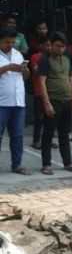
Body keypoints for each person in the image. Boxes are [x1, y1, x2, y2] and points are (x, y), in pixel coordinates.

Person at [36, 33, 72, 175]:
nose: (60, 49)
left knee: (64, 133)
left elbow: (70, 80)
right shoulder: (45, 59)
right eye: (57, 46)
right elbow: (42, 81)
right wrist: (47, 103)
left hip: (67, 100)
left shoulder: (67, 59)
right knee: (48, 133)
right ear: (52, 45)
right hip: (53, 100)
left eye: (63, 46)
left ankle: (68, 163)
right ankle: (46, 164)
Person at [0, 27, 29, 175]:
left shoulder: (18, 54)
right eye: (7, 42)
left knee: (17, 136)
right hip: (1, 103)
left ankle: (17, 165)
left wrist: (25, 71)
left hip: (18, 102)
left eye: (12, 42)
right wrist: (8, 67)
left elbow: (25, 78)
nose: (10, 44)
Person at [29, 37, 50, 150]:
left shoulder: (51, 57)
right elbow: (37, 71)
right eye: (47, 45)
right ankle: (36, 140)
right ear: (41, 46)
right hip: (38, 91)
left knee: (49, 118)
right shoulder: (35, 57)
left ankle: (47, 141)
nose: (49, 47)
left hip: (50, 91)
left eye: (50, 45)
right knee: (39, 117)